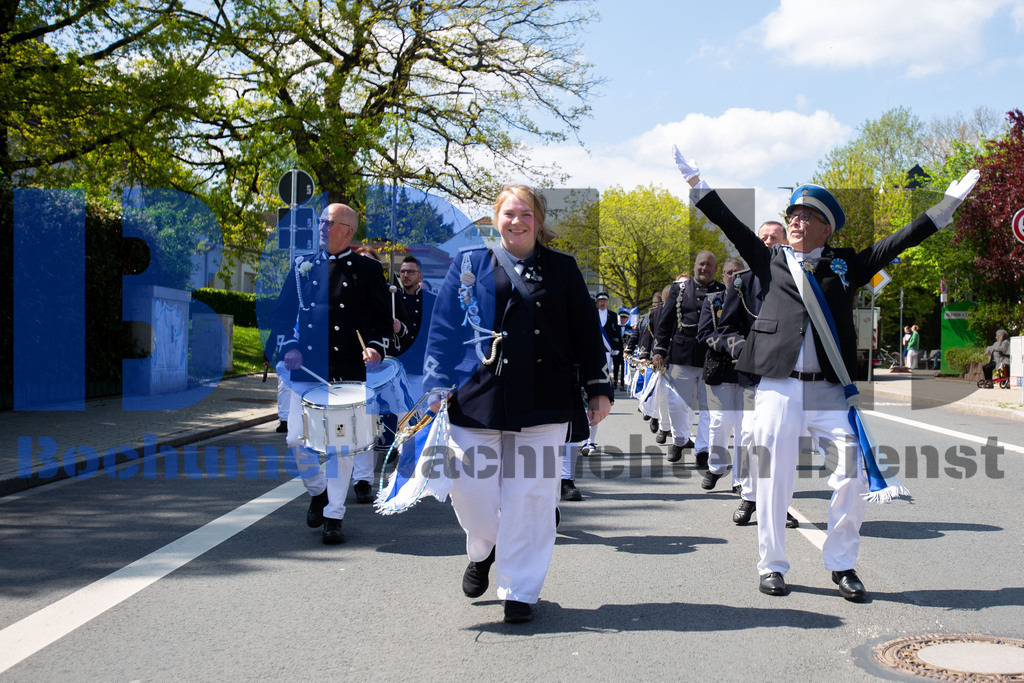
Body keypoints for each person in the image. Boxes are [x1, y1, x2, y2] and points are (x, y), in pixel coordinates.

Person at [674, 144, 979, 600]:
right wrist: (699, 187)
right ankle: (772, 564)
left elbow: (901, 239)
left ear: (825, 228)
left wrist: (945, 207)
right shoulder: (772, 262)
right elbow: (732, 227)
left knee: (851, 476)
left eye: (804, 216)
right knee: (774, 480)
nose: (794, 221)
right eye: (792, 214)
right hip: (778, 387)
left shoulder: (845, 266)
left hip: (829, 393)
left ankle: (842, 564)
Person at [423, 184, 613, 624]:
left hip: (544, 397)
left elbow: (585, 334)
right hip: (477, 396)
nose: (517, 221)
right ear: (495, 217)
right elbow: (444, 330)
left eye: (526, 214)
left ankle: (519, 590)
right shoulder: (468, 264)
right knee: (470, 490)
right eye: (509, 213)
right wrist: (435, 384)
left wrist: (598, 387)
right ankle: (482, 548)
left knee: (530, 498)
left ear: (538, 220)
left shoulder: (563, 269)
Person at [266, 202, 393, 544]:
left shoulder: (367, 270)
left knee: (340, 447)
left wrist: (375, 347)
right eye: (321, 222)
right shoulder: (301, 266)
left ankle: (334, 514)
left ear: (348, 231)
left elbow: (382, 320)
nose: (322, 227)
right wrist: (289, 345)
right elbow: (281, 316)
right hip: (306, 369)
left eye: (330, 223)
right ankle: (318, 492)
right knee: (295, 438)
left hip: (348, 371)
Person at [706, 222, 797, 530]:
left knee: (781, 442)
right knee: (749, 435)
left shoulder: (800, 278)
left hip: (788, 376)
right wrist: (747, 349)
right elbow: (726, 328)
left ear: (785, 242)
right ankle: (749, 496)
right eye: (763, 238)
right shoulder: (742, 282)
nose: (768, 242)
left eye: (774, 237)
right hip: (754, 374)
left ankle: (778, 504)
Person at [653, 251, 725, 466]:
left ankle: (702, 450)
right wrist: (659, 350)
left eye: (709, 265)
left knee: (707, 408)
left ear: (715, 268)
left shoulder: (722, 290)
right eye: (701, 264)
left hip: (710, 357)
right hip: (681, 355)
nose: (705, 268)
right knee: (676, 405)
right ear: (695, 266)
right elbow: (665, 322)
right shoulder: (680, 289)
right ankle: (680, 439)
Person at [394, 255, 437, 399]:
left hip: (421, 368)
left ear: (420, 276)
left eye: (411, 272)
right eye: (403, 271)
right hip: (395, 368)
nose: (406, 275)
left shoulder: (433, 301)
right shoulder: (393, 299)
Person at [614, 308, 632, 390]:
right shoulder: (616, 327)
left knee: (624, 368)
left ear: (627, 319)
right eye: (621, 318)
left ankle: (622, 384)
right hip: (617, 350)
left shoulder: (630, 328)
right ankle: (615, 382)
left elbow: (631, 340)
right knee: (616, 366)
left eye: (624, 318)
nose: (623, 319)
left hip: (625, 351)